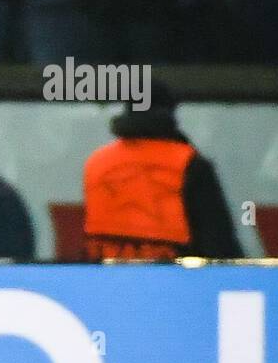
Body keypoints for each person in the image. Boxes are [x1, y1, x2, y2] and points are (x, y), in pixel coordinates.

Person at [83, 82, 243, 259]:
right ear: (171, 113)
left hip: (107, 279)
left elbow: (87, 238)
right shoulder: (190, 163)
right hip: (176, 281)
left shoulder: (97, 162)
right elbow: (219, 241)